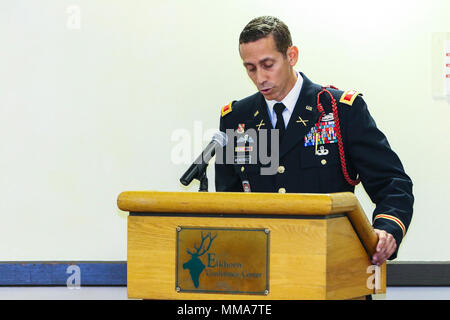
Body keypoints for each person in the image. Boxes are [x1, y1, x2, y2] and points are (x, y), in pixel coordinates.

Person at [214, 16, 413, 266]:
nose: (260, 77)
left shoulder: (340, 111)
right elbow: (227, 201)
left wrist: (386, 231)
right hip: (262, 270)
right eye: (250, 68)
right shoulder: (237, 118)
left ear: (291, 55)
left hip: (331, 263)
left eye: (268, 64)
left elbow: (393, 184)